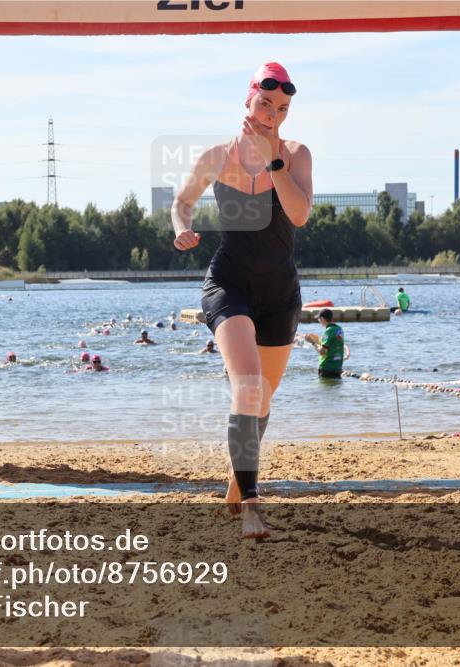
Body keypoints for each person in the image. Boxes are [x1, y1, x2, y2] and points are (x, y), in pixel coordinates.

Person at [172, 61, 313, 539]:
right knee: (248, 387)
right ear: (248, 101)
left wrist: (274, 160)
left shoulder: (296, 154)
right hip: (228, 283)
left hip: (280, 292)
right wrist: (182, 228)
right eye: (265, 104)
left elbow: (298, 214)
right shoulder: (217, 156)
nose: (273, 114)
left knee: (263, 397)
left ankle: (237, 485)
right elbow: (182, 201)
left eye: (282, 109)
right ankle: (253, 506)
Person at [305, 309, 349, 378]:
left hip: (326, 368)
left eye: (319, 319)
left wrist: (312, 342)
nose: (319, 321)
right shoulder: (339, 329)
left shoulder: (328, 331)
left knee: (325, 385)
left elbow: (322, 351)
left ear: (322, 318)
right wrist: (317, 339)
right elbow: (332, 344)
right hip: (337, 367)